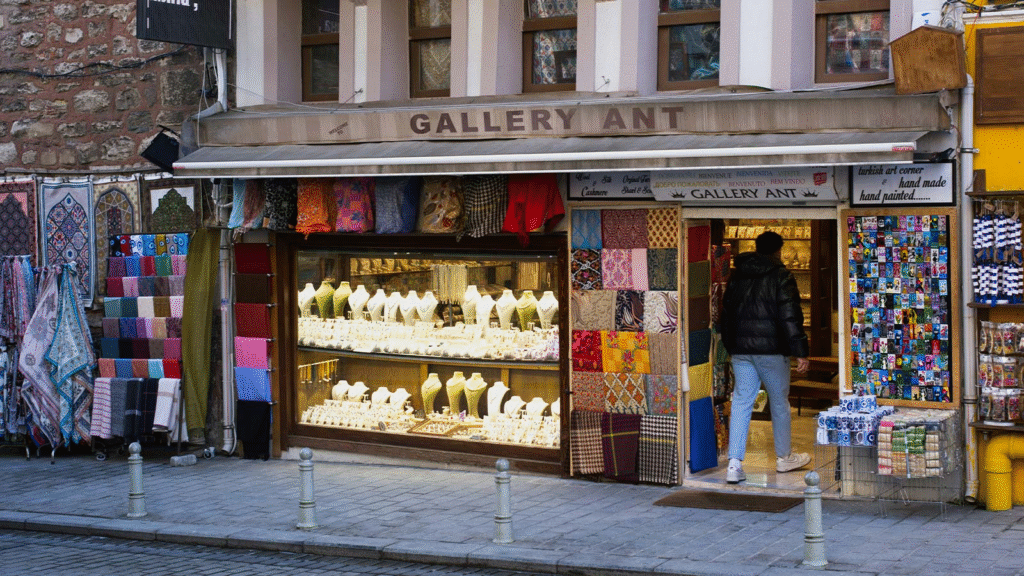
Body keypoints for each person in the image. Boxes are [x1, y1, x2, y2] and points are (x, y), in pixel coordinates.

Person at [719, 231, 811, 484]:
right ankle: (784, 458)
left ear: (756, 248)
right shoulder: (781, 275)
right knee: (779, 403)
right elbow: (790, 316)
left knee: (741, 401)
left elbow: (725, 314)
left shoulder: (737, 274)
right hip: (772, 351)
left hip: (741, 351)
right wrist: (800, 351)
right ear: (778, 250)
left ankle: (734, 464)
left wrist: (731, 345)